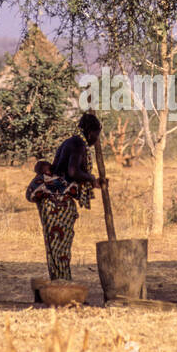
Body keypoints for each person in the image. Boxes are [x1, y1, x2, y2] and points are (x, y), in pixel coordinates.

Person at [28, 112, 106, 282]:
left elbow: (74, 172)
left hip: (53, 203)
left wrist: (93, 181)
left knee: (55, 247)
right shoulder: (78, 144)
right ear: (90, 131)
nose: (96, 140)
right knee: (60, 246)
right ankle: (63, 286)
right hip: (58, 204)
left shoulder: (72, 142)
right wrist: (92, 178)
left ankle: (60, 284)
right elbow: (73, 172)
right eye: (96, 135)